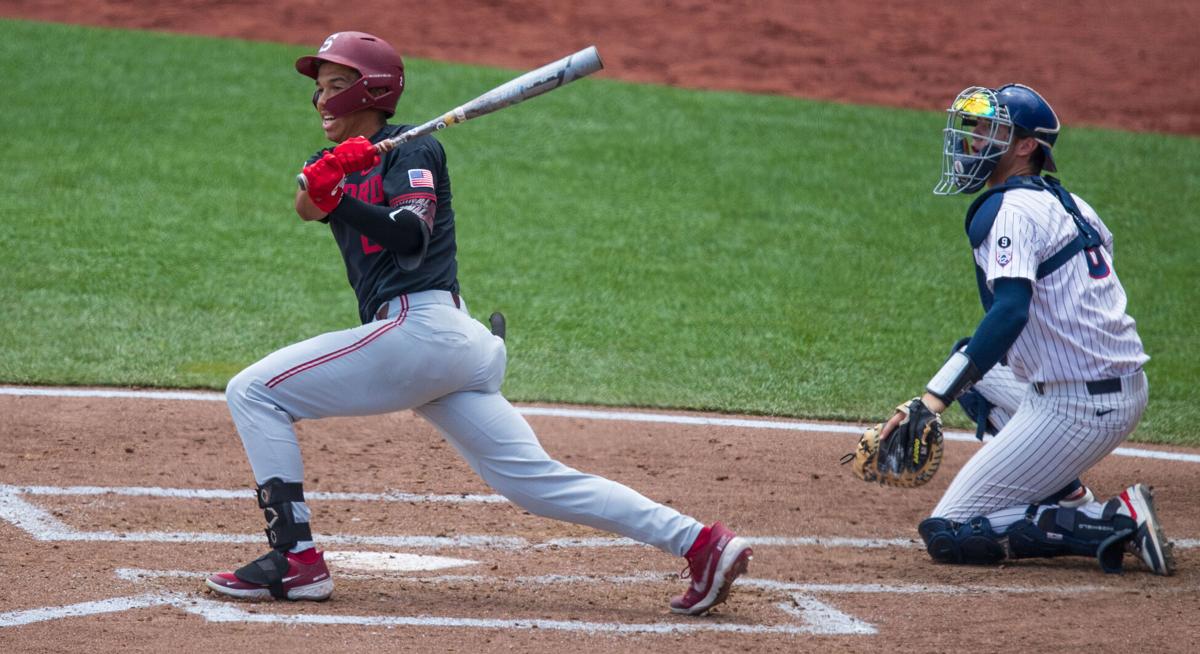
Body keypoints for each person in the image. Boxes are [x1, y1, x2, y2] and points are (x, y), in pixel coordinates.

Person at [204, 31, 752, 614]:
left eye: (336, 86)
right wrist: (330, 179)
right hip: (444, 348)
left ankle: (296, 562)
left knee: (254, 390)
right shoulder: (332, 161)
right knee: (532, 482)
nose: (321, 100)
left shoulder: (414, 151)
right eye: (318, 89)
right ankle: (701, 543)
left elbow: (410, 234)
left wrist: (340, 194)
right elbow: (307, 203)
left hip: (424, 330)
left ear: (372, 91)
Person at [879, 84, 1173, 575]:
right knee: (975, 374)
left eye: (990, 130)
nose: (973, 142)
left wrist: (930, 405)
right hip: (1106, 386)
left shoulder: (1012, 211)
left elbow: (1012, 311)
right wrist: (923, 398)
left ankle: (1108, 519)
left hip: (1080, 405)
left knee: (950, 530)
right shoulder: (1072, 204)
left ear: (1025, 146)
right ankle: (1065, 491)